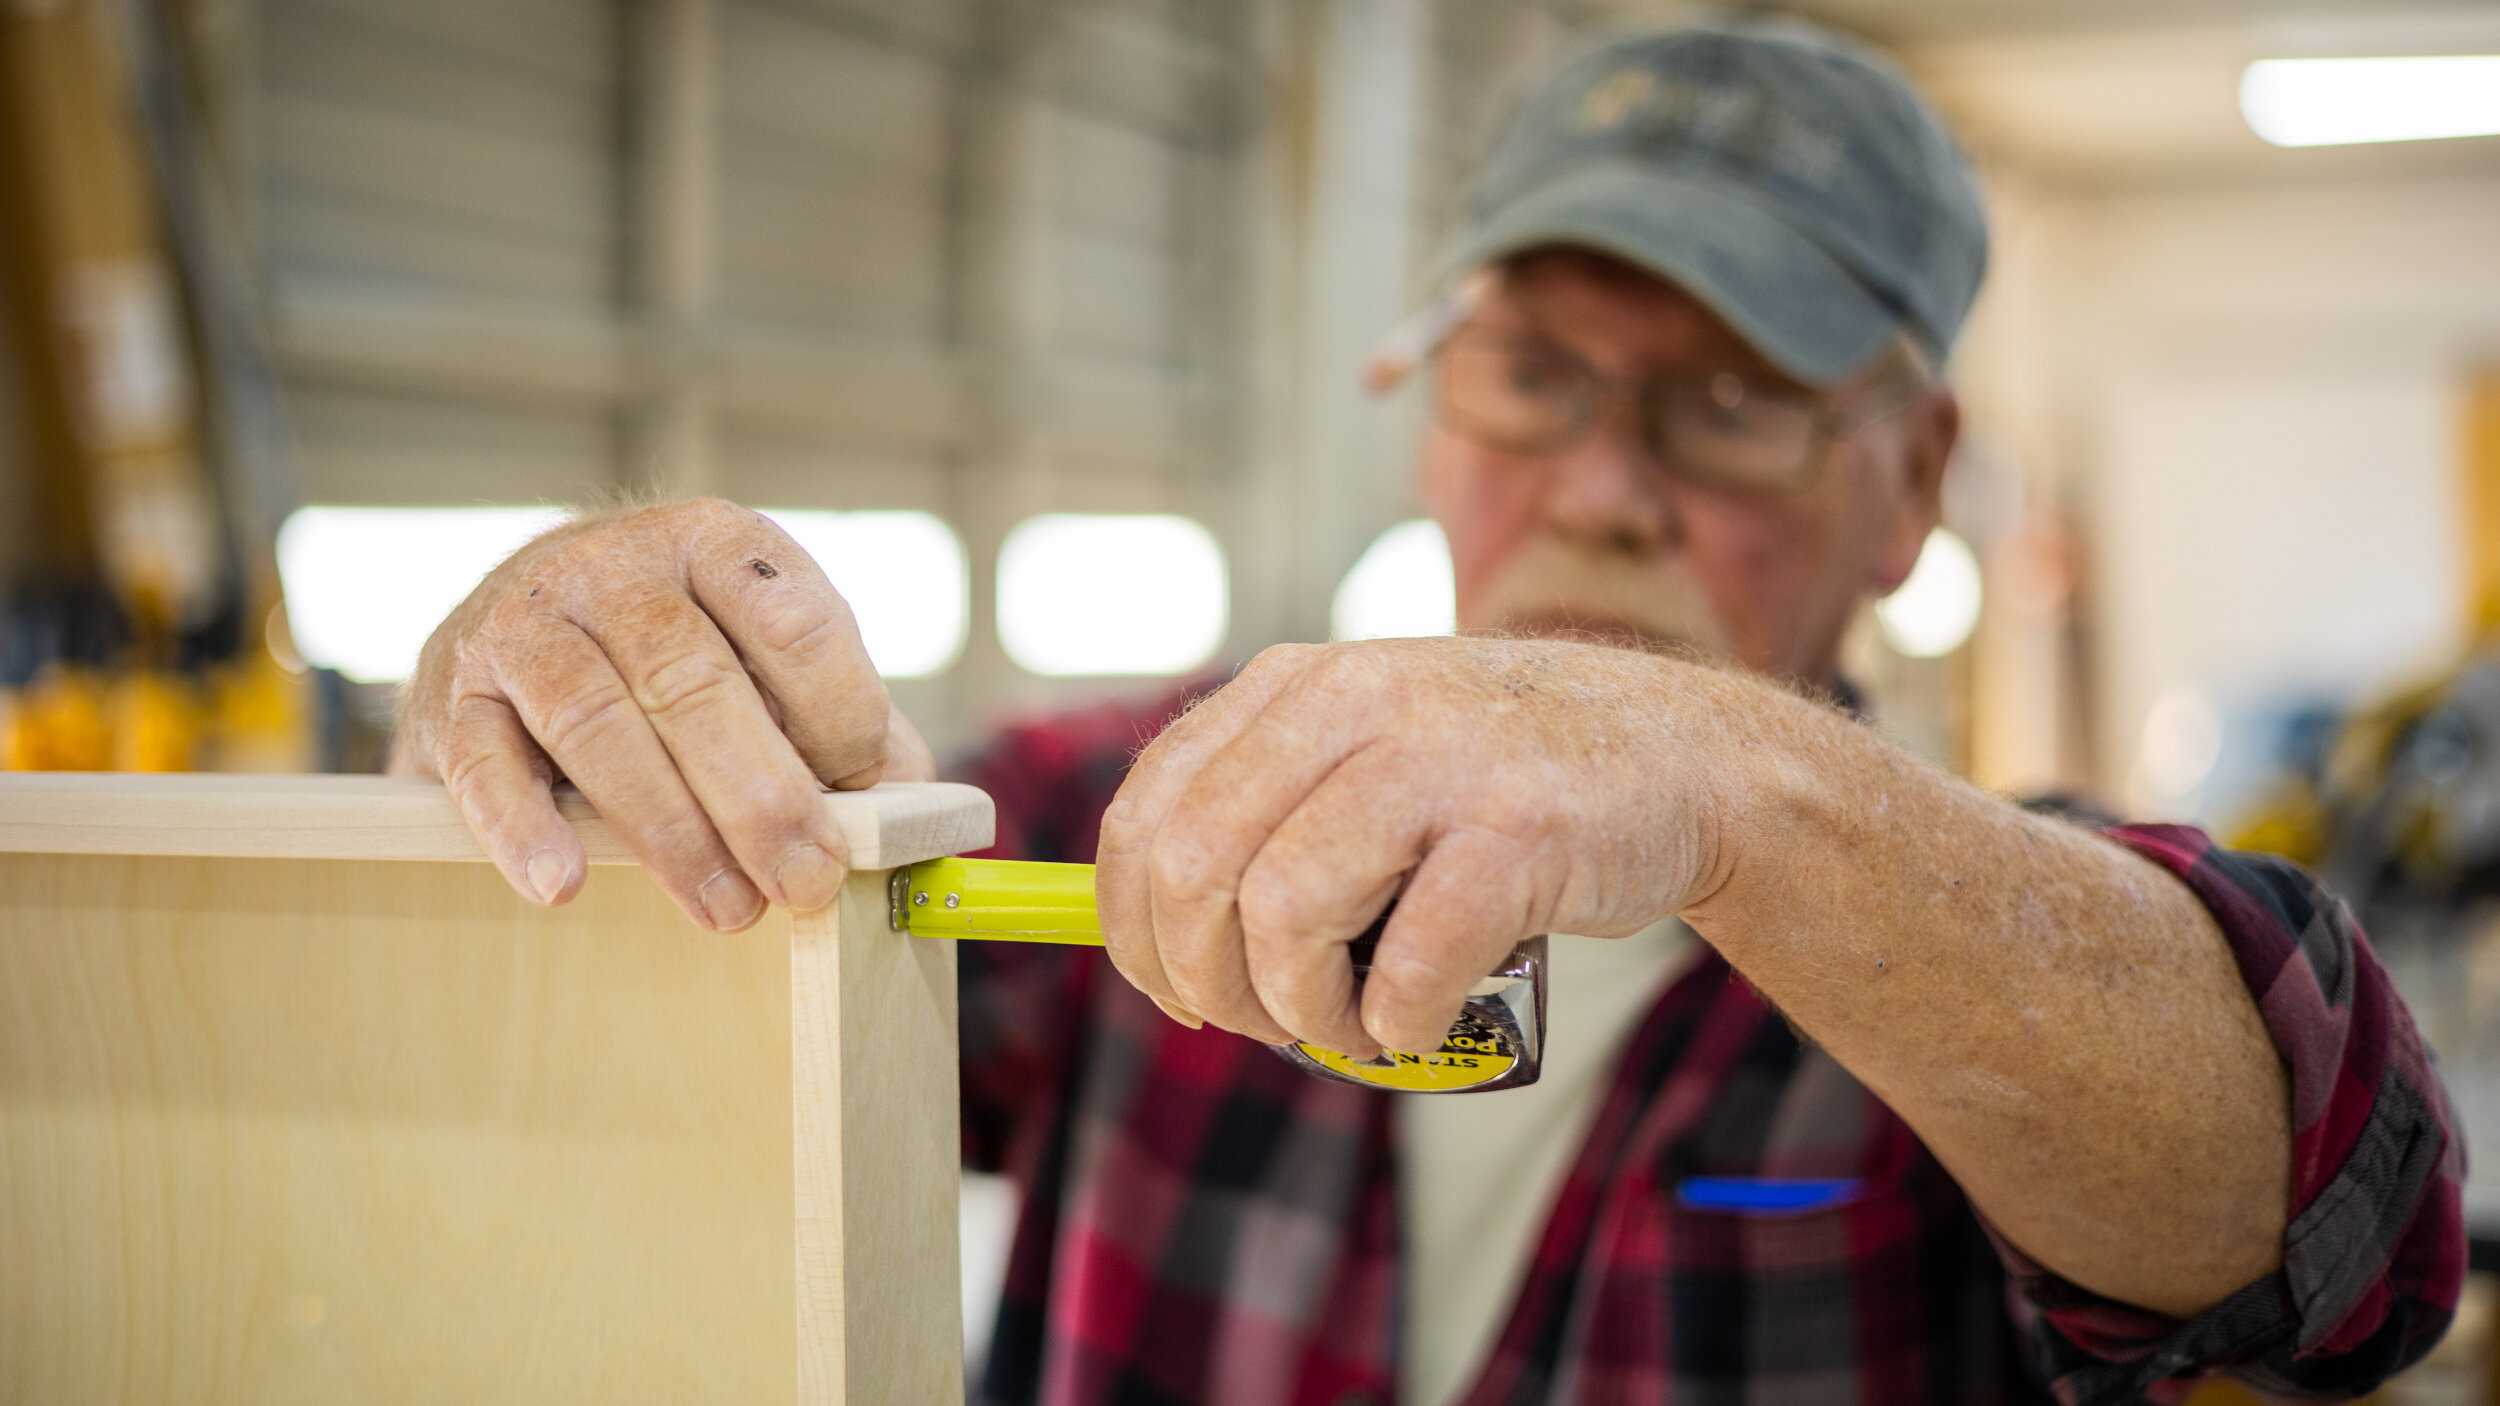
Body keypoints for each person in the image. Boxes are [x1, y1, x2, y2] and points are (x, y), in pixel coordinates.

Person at [392, 17, 2461, 1406]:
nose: (1596, 481)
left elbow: (2348, 1227)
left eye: (1729, 399)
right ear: (1426, 404)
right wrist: (586, 711)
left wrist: (1709, 777)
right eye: (1536, 374)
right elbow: (680, 999)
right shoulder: (1116, 803)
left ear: (1910, 484)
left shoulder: (2001, 959)